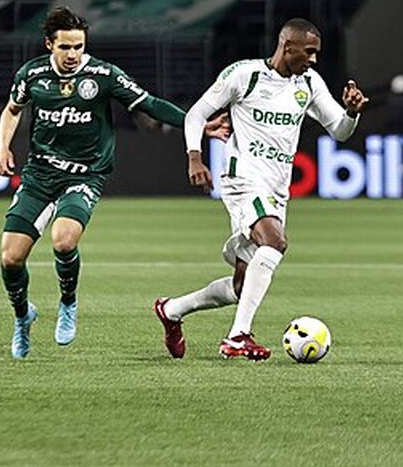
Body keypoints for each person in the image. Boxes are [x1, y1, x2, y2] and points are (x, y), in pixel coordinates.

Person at [0, 6, 228, 359]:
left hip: (86, 174)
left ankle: (68, 303)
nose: (73, 54)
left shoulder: (104, 75)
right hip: (40, 174)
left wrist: (197, 125)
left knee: (63, 239)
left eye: (78, 47)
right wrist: (2, 148)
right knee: (11, 259)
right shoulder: (32, 75)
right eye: (65, 48)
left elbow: (149, 103)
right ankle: (22, 316)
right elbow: (12, 109)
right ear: (49, 45)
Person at [153, 18, 369, 361]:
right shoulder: (245, 75)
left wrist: (352, 114)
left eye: (317, 54)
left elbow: (339, 131)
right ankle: (238, 337)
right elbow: (196, 115)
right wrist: (195, 157)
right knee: (275, 241)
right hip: (243, 180)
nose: (314, 60)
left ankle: (172, 309)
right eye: (309, 52)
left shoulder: (309, 84)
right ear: (287, 47)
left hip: (276, 188)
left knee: (241, 286)